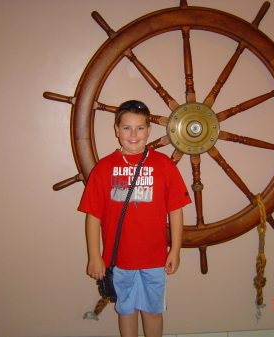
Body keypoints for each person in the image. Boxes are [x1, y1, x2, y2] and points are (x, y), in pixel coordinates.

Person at [78, 100, 191, 337]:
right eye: (127, 128)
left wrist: (176, 249)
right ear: (117, 130)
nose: (133, 134)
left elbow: (176, 210)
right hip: (119, 258)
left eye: (140, 128)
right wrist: (94, 255)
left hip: (154, 258)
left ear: (149, 130)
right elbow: (93, 215)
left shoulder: (165, 165)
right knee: (126, 311)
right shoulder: (104, 168)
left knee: (152, 311)